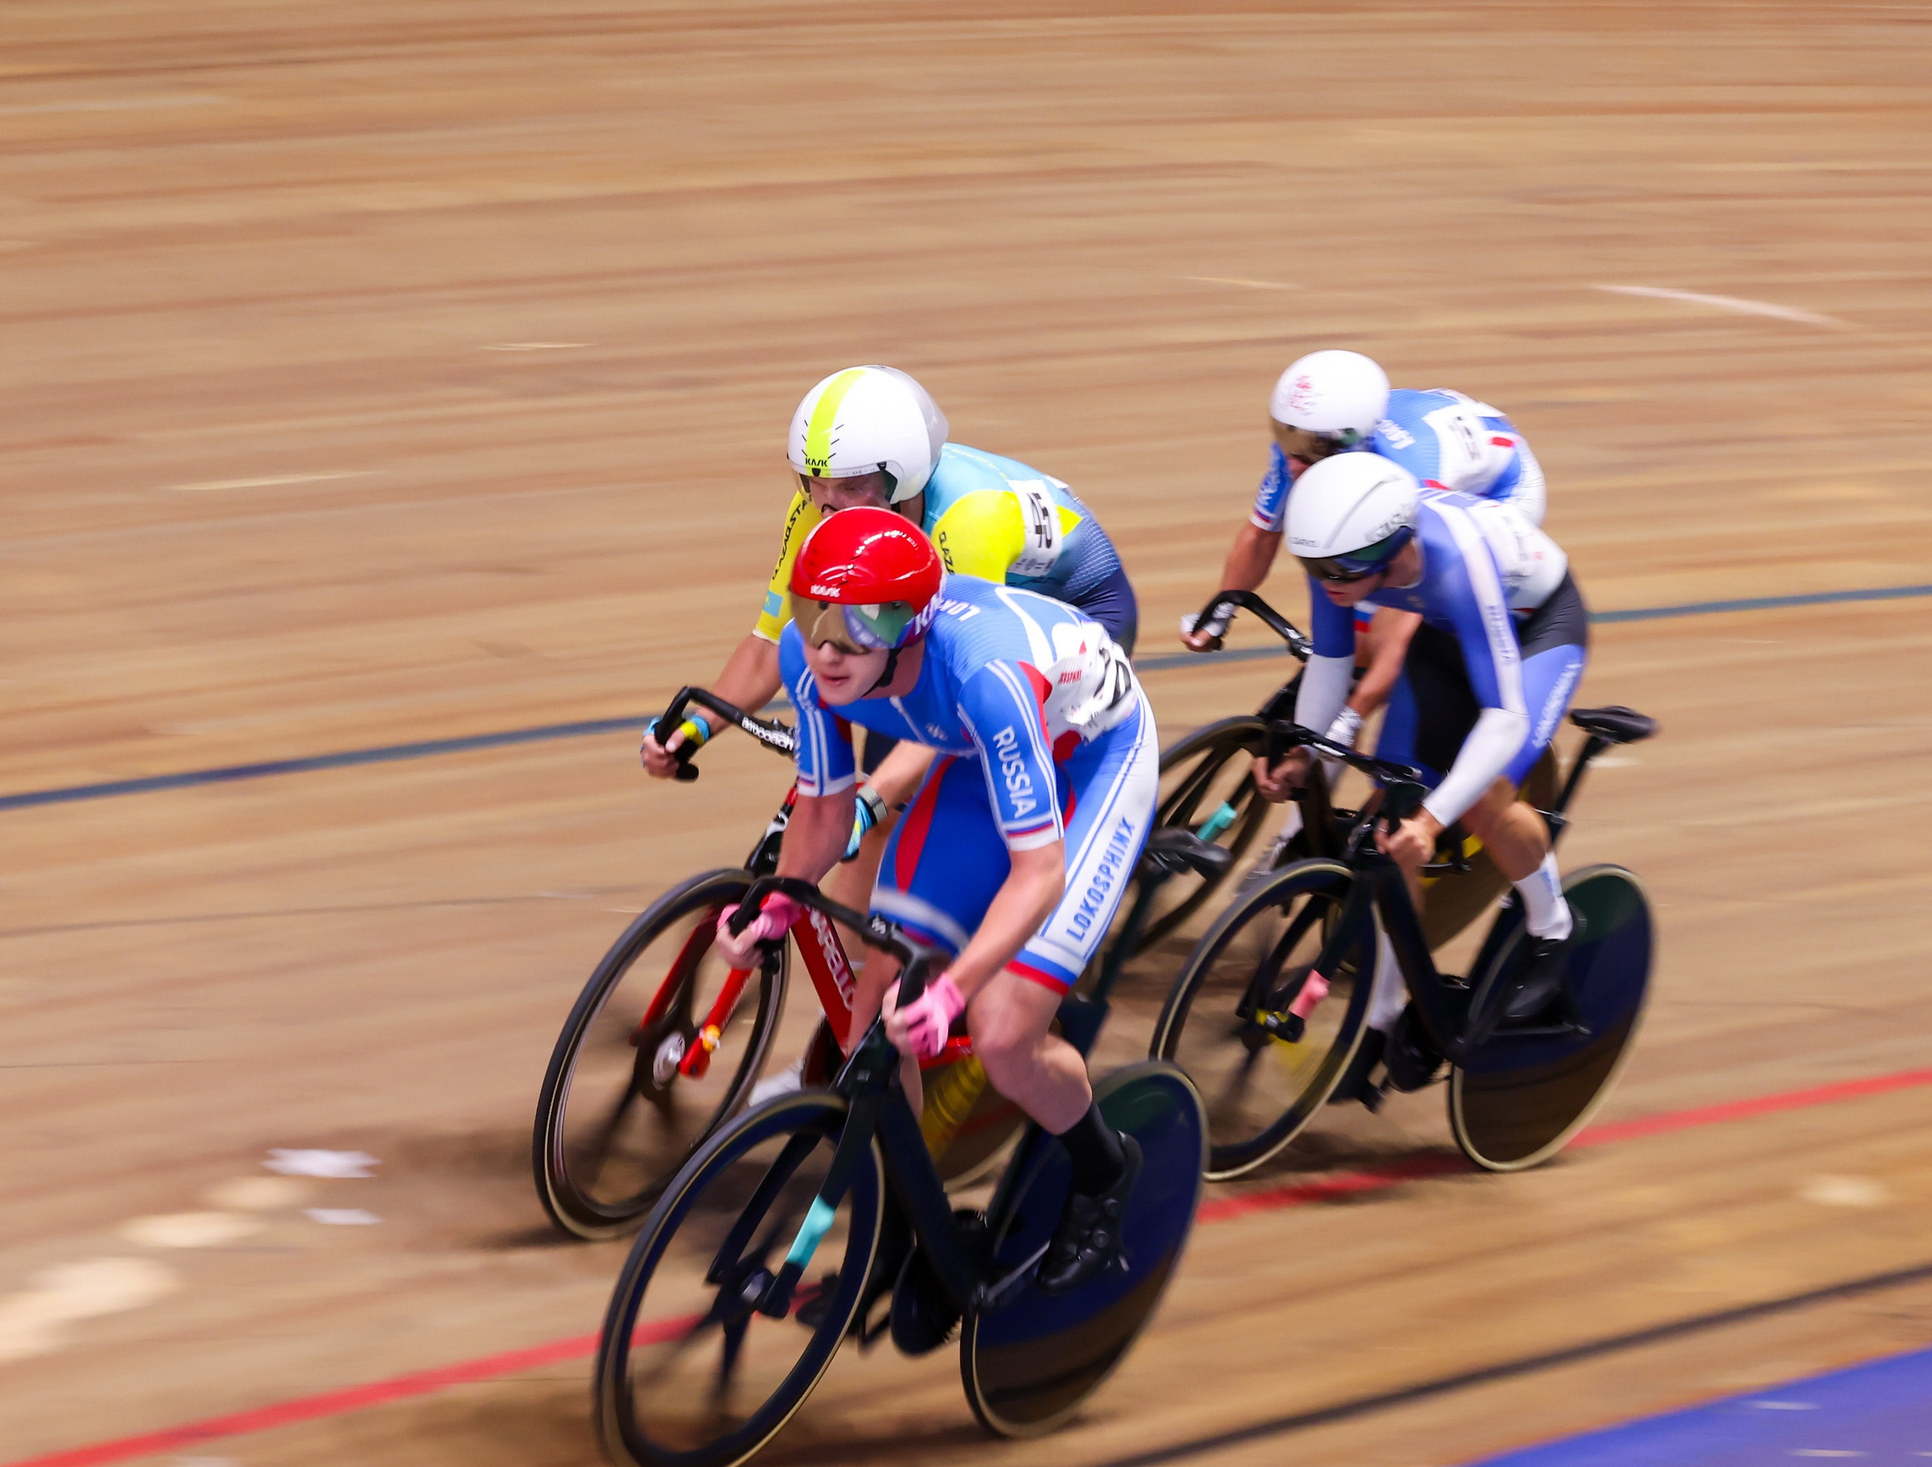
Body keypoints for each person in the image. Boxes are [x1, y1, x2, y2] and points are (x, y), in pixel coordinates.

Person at [711, 505, 1158, 1295]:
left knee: (1001, 1030)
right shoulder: (808, 658)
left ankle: (1105, 1171)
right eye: (817, 615)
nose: (830, 649)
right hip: (979, 752)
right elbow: (821, 809)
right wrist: (777, 903)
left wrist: (956, 990)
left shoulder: (986, 676)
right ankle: (900, 1212)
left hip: (1093, 759)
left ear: (912, 627)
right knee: (878, 999)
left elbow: (1040, 873)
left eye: (860, 628)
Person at [643, 367, 1140, 870]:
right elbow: (770, 644)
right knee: (873, 794)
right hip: (954, 618)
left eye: (853, 486)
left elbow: (966, 684)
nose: (829, 508)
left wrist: (871, 800)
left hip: (1075, 615)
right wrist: (697, 727)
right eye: (814, 483)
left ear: (903, 482)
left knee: (925, 805)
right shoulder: (818, 509)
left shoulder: (967, 522)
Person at [1254, 451, 1587, 1061]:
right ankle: (1382, 1013)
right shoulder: (1341, 552)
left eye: (1339, 571)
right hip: (1446, 629)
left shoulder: (1457, 565)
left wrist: (1436, 823)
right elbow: (1330, 667)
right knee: (1392, 816)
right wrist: (1306, 755)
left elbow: (1505, 717)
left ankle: (1553, 925)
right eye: (1312, 567)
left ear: (1393, 548)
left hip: (1540, 630)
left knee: (1484, 800)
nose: (1327, 584)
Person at [1179, 349, 1544, 654]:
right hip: (1444, 423)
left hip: (1499, 490)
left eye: (1308, 449)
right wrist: (1220, 610)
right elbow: (1261, 536)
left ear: (1354, 441)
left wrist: (1354, 709)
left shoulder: (1407, 477)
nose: (1292, 461)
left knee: (1401, 626)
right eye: (1286, 436)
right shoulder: (1301, 447)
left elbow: (1413, 587)